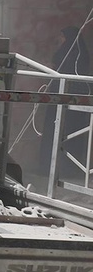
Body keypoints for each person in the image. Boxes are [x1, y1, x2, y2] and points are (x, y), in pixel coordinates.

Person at [41, 26, 92, 175]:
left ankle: (61, 170)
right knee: (59, 130)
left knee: (64, 131)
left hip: (67, 96)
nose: (60, 40)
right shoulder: (74, 52)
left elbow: (65, 69)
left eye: (63, 37)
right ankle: (57, 169)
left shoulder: (73, 54)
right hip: (67, 96)